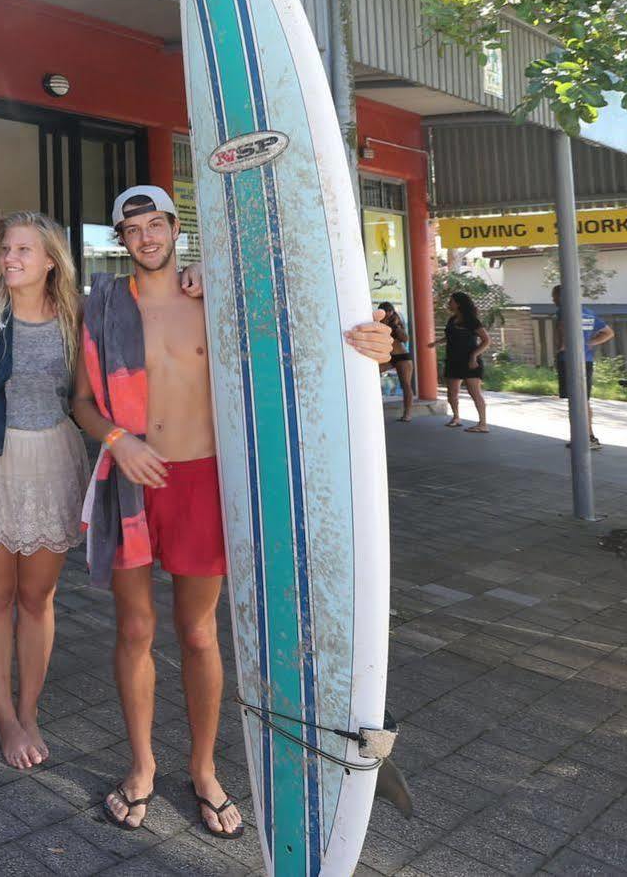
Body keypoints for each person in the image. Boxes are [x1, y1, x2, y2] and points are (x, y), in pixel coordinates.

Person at [70, 185, 392, 840]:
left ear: (173, 227)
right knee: (134, 630)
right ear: (119, 240)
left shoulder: (213, 300)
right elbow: (80, 399)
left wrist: (365, 339)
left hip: (201, 481)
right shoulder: (101, 306)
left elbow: (293, 341)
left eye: (154, 224)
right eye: (131, 230)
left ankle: (204, 769)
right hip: (130, 480)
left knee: (197, 635)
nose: (145, 238)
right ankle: (141, 767)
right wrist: (117, 442)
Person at [0, 212, 90, 770]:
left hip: (52, 459)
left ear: (50, 260)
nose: (10, 259)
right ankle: (4, 715)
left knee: (37, 599)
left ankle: (29, 711)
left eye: (24, 251)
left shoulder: (76, 314)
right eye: (6, 250)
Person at [551, 287, 615, 448]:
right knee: (583, 399)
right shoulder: (588, 312)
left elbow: (562, 329)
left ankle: (583, 438)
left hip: (570, 360)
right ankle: (588, 436)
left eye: (554, 296)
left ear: (561, 296)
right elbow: (608, 332)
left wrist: (562, 347)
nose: (553, 300)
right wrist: (589, 343)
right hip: (586, 359)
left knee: (575, 401)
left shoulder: (564, 311)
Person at [431, 291, 490, 432]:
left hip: (470, 361)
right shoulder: (452, 320)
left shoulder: (472, 320)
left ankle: (483, 424)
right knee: (451, 393)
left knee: (474, 392)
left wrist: (474, 356)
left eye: (451, 301)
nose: (448, 304)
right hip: (453, 359)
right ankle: (456, 418)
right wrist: (437, 343)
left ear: (458, 304)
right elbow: (451, 336)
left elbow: (486, 340)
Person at [380, 301, 415, 423]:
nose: (387, 314)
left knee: (405, 384)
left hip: (402, 356)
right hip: (388, 358)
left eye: (388, 312)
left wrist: (395, 326)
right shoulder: (380, 322)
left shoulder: (396, 323)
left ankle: (408, 413)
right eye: (384, 312)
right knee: (374, 373)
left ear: (391, 312)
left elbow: (405, 338)